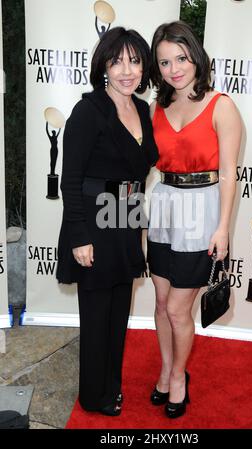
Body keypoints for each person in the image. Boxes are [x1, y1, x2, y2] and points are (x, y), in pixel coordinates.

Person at [56, 27, 158, 416]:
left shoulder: (143, 110)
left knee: (119, 312)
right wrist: (80, 236)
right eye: (117, 62)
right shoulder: (88, 111)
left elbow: (141, 166)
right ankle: (92, 395)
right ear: (104, 66)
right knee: (97, 314)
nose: (127, 71)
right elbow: (71, 179)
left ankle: (111, 386)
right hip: (95, 221)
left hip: (128, 215)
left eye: (134, 61)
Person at [147, 21, 242, 418]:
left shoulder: (222, 105)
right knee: (162, 301)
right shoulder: (157, 107)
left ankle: (180, 377)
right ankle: (167, 369)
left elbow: (228, 175)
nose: (174, 68)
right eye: (165, 62)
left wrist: (222, 227)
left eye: (181, 58)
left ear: (195, 56)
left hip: (201, 212)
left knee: (178, 310)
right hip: (164, 207)